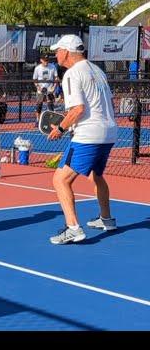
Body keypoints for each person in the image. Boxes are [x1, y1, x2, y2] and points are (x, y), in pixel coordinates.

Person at [47, 35, 118, 245]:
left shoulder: (72, 74)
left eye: (58, 51)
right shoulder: (97, 70)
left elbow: (78, 109)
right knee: (96, 175)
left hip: (89, 134)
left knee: (60, 179)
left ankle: (73, 228)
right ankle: (107, 219)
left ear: (67, 52)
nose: (56, 54)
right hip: (109, 132)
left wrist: (60, 128)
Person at [33, 55, 58, 126]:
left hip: (49, 89)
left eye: (47, 60)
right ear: (41, 60)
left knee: (50, 105)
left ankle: (51, 121)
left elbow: (56, 77)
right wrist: (38, 87)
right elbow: (35, 79)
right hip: (40, 90)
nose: (46, 62)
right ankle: (37, 120)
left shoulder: (52, 67)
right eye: (44, 60)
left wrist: (54, 87)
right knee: (39, 105)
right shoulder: (37, 68)